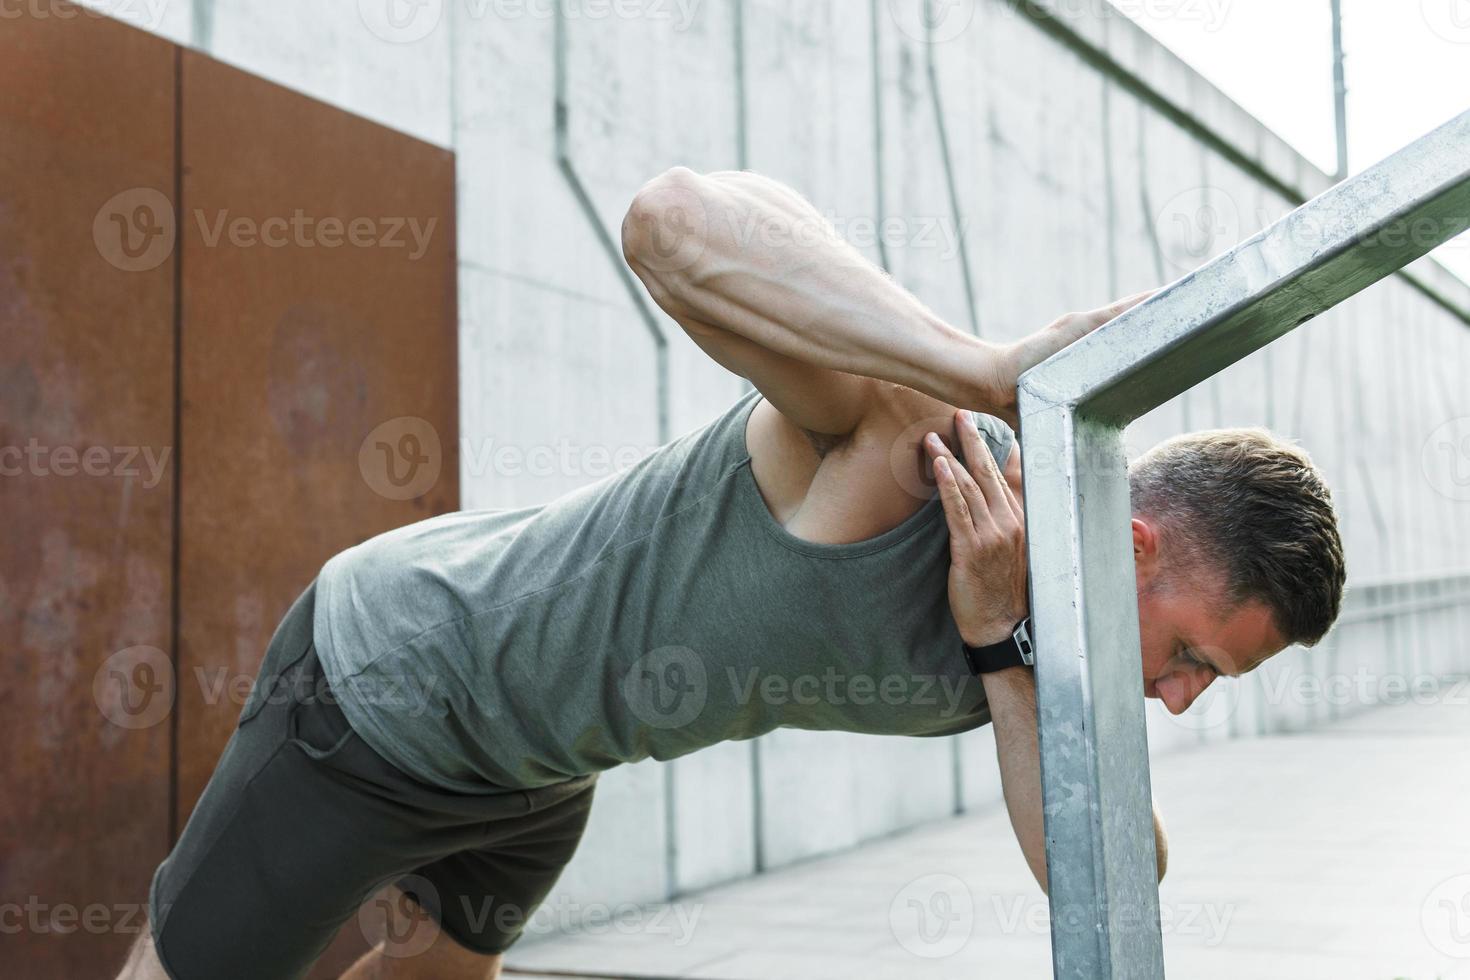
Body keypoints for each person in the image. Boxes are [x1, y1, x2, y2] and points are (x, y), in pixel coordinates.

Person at [118, 169, 1345, 980]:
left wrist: (995, 650)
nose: (1181, 694)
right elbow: (671, 220)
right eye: (1195, 654)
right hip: (395, 679)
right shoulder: (924, 451)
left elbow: (1123, 872)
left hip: (540, 763)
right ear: (1138, 547)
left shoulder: (1041, 630)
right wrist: (983, 368)